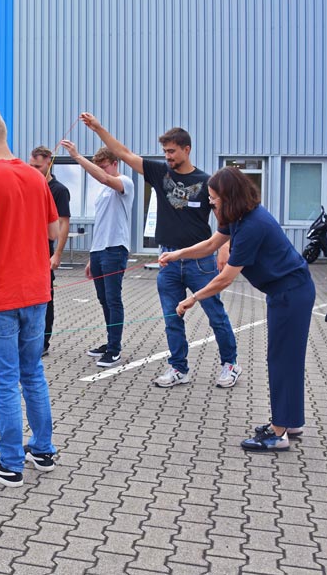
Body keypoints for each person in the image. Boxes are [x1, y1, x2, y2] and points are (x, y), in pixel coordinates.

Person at [81, 113, 240, 389]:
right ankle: (179, 368)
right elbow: (123, 152)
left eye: (172, 151)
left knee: (215, 314)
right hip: (167, 260)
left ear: (186, 149)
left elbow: (223, 215)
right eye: (165, 151)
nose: (167, 156)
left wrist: (224, 246)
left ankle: (230, 364)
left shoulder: (206, 182)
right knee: (171, 318)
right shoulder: (159, 174)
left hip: (199, 261)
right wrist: (98, 129)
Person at [160, 167, 315, 451]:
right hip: (284, 293)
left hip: (292, 295)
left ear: (229, 197)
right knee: (286, 358)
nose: (210, 202)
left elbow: (225, 278)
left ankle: (278, 433)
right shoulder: (238, 218)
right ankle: (290, 422)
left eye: (214, 198)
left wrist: (193, 298)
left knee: (282, 360)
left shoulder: (253, 225)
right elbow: (210, 245)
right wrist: (177, 254)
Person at [0, 107, 59, 488]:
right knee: (32, 372)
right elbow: (53, 230)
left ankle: (10, 462)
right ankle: (44, 449)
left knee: (5, 381)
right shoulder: (36, 178)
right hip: (36, 291)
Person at [60, 140, 134, 368]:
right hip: (100, 250)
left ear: (114, 164)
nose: (101, 171)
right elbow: (101, 224)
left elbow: (105, 178)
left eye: (104, 166)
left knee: (113, 299)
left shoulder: (124, 182)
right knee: (104, 300)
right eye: (98, 166)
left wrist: (77, 157)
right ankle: (110, 342)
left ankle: (115, 349)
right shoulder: (103, 191)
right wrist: (92, 256)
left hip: (115, 249)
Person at [27, 146, 71, 357]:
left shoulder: (58, 190)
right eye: (31, 165)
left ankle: (43, 341)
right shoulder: (27, 185)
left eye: (38, 166)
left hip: (45, 251)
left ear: (49, 163)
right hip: (25, 250)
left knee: (45, 297)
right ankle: (27, 336)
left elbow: (63, 223)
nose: (34, 170)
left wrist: (57, 255)